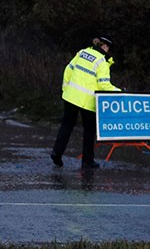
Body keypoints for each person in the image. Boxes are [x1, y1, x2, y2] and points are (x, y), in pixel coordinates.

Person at [51, 36, 121, 170]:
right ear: (104, 47)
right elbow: (104, 86)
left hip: (71, 96)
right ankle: (87, 161)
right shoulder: (102, 61)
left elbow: (68, 70)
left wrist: (66, 88)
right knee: (89, 131)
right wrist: (119, 91)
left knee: (66, 126)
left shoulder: (82, 52)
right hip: (88, 101)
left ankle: (57, 153)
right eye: (108, 48)